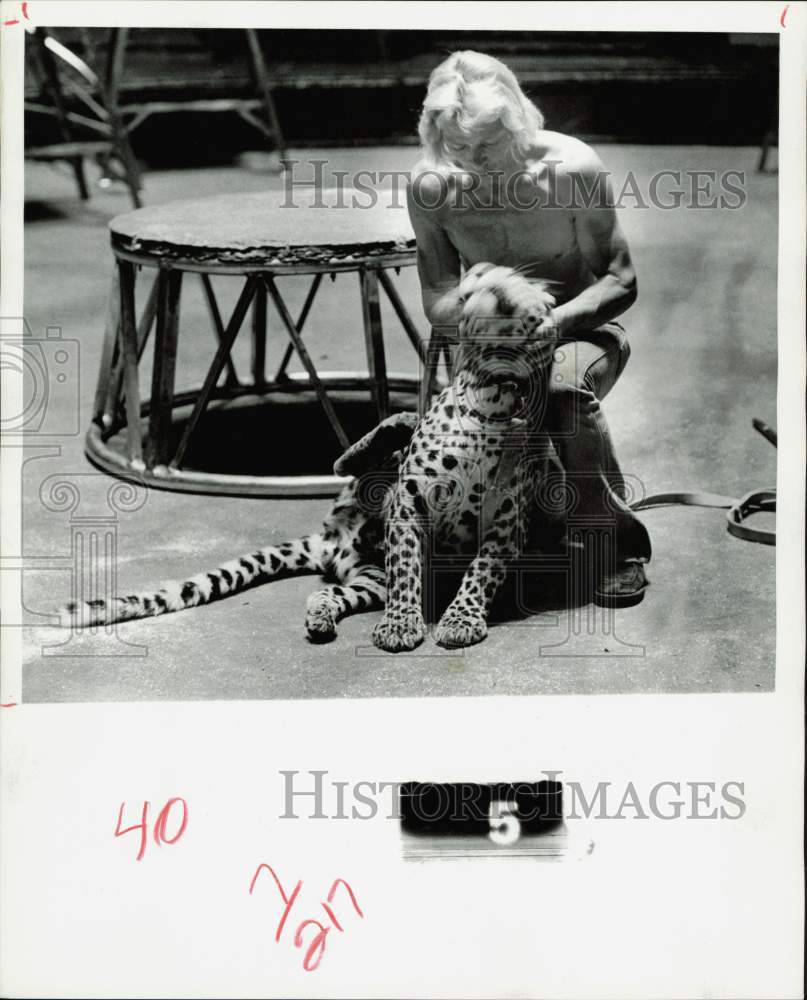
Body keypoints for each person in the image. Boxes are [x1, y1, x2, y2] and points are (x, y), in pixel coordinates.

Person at [406, 50, 651, 604]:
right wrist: (471, 309)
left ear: (516, 121)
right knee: (455, 429)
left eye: (487, 145)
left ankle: (617, 545)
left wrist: (552, 322)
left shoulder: (572, 168)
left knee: (560, 389)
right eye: (457, 147)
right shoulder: (430, 185)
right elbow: (436, 294)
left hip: (580, 329)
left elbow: (620, 280)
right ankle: (492, 537)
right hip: (491, 339)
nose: (472, 160)